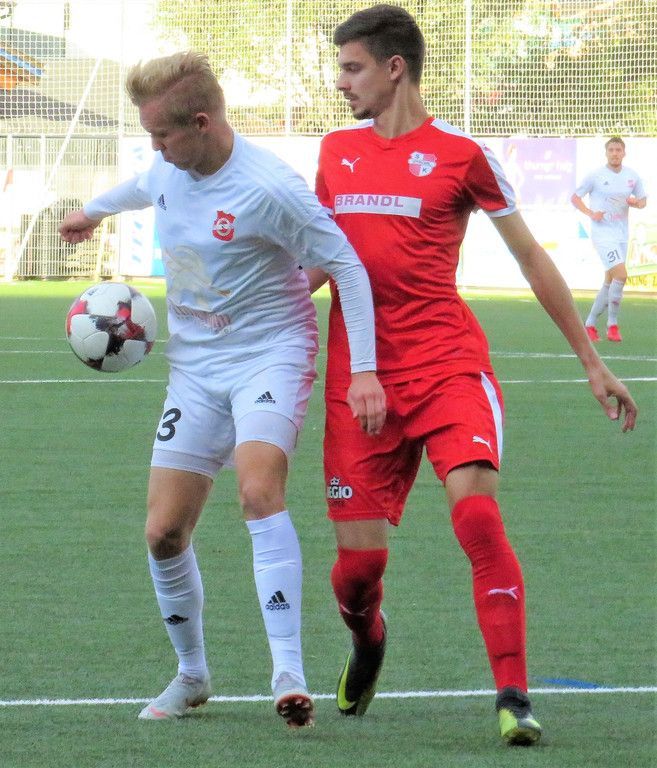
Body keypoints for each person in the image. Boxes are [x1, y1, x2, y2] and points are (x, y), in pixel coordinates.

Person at [305, 4, 638, 746]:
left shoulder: (461, 155)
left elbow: (530, 257)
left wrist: (591, 362)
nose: (341, 83)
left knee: (478, 518)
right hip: (359, 380)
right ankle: (367, 638)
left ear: (395, 68)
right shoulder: (334, 152)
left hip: (447, 366)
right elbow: (320, 264)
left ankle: (513, 697)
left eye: (352, 68)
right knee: (356, 571)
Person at [58, 51, 386, 727]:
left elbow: (347, 267)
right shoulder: (169, 168)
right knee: (163, 533)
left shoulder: (270, 188)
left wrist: (363, 369)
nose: (155, 148)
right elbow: (142, 185)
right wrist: (91, 213)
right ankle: (192, 675)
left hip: (270, 355)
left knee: (258, 491)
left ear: (202, 124)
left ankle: (288, 673)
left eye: (162, 135)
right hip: (196, 369)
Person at [571, 137, 647, 342]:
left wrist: (636, 203)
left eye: (618, 150)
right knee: (621, 275)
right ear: (606, 153)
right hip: (602, 234)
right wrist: (590, 213)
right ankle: (612, 324)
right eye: (611, 150)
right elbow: (575, 197)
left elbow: (643, 201)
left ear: (624, 153)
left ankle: (589, 325)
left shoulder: (632, 176)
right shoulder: (596, 175)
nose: (615, 153)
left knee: (610, 281)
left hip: (621, 235)